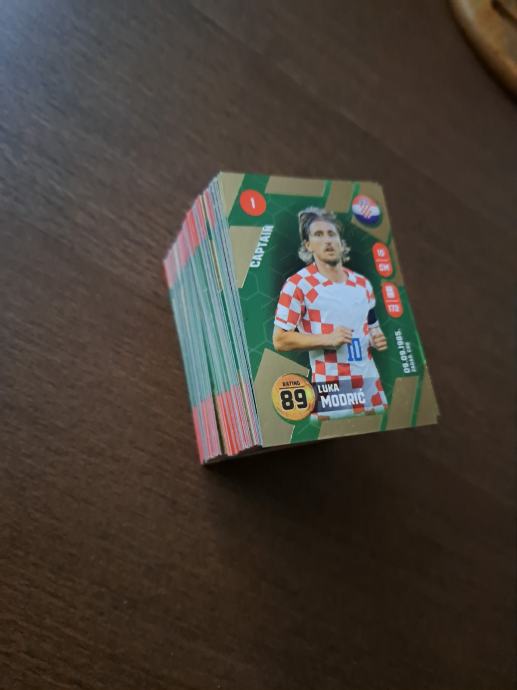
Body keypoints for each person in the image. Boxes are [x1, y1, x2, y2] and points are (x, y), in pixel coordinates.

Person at [273, 207, 388, 416]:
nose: (327, 240)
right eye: (318, 234)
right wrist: (327, 339)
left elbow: (372, 326)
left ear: (340, 241)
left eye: (331, 234)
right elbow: (280, 340)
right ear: (308, 245)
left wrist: (375, 338)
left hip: (370, 386)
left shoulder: (362, 284)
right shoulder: (298, 284)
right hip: (332, 391)